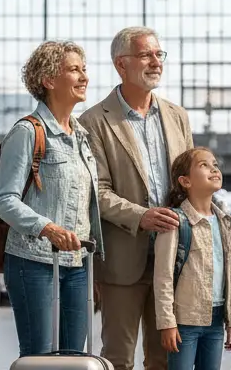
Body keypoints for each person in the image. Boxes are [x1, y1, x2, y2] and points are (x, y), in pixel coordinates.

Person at [78, 26, 196, 370]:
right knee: (118, 358)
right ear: (121, 64)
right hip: (121, 261)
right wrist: (140, 216)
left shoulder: (178, 117)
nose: (155, 61)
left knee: (165, 358)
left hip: (173, 260)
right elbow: (95, 190)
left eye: (159, 54)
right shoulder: (93, 121)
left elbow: (190, 183)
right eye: (146, 55)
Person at [0, 40, 106, 357]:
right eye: (74, 70)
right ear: (49, 80)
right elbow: (4, 200)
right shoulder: (28, 132)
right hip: (33, 262)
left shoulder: (81, 136)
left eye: (84, 70)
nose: (84, 77)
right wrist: (49, 229)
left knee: (76, 356)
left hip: (78, 264)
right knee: (38, 356)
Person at [153, 147, 231, 370]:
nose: (214, 169)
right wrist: (167, 323)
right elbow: (162, 276)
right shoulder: (175, 221)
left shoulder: (225, 222)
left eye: (215, 165)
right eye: (204, 165)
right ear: (186, 181)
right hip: (184, 322)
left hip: (216, 320)